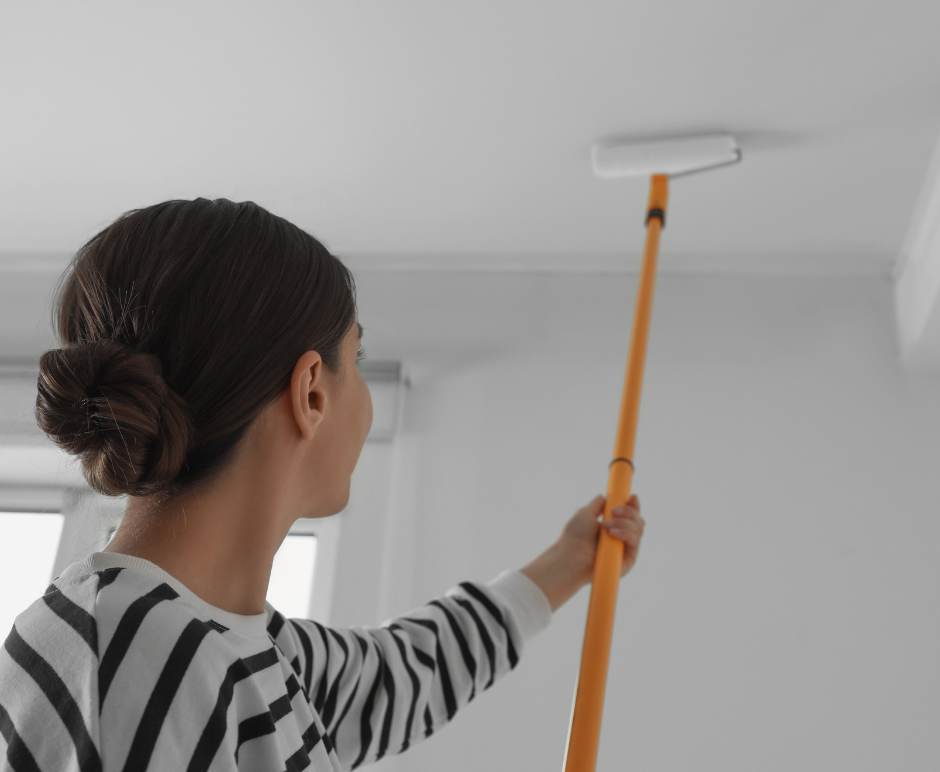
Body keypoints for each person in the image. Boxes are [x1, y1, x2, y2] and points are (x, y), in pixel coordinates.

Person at [0, 198, 645, 772]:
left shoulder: (241, 646)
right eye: (356, 359)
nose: (365, 399)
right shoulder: (137, 654)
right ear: (311, 392)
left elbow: (399, 677)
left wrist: (572, 561)